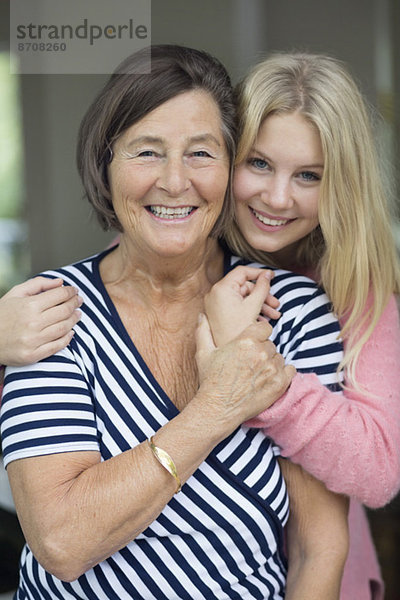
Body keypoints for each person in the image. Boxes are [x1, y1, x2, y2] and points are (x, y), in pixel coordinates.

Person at [0, 45, 348, 600]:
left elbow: (317, 550)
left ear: (231, 168)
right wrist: (219, 405)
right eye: (146, 152)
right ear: (105, 165)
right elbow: (62, 542)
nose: (175, 181)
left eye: (201, 154)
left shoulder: (295, 312)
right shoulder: (49, 313)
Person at [205, 51, 400, 600]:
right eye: (259, 164)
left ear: (342, 183)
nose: (277, 197)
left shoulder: (357, 291)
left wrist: (257, 375)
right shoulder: (164, 261)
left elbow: (380, 466)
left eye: (308, 175)